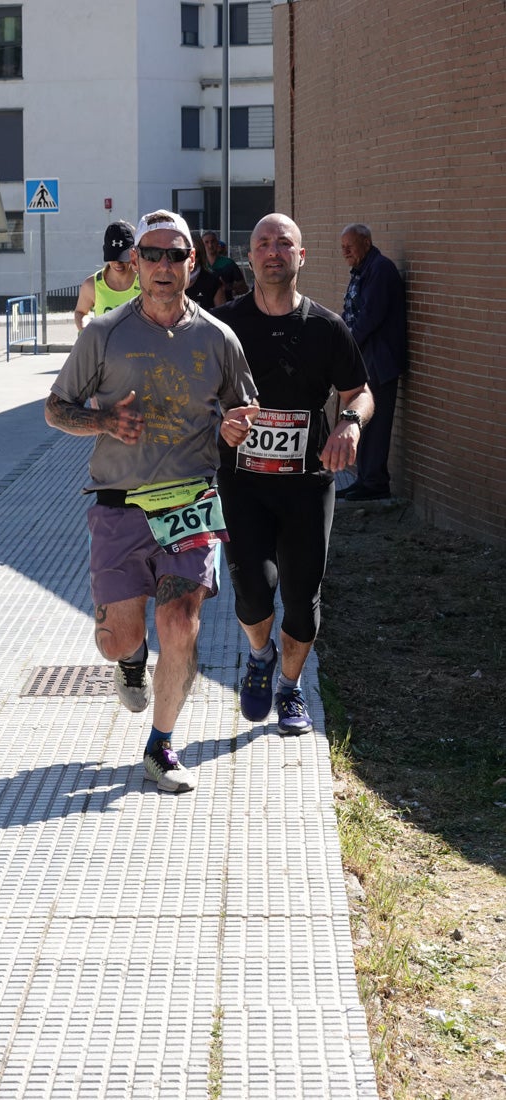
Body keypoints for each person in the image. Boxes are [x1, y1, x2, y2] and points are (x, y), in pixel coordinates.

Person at [45, 209, 258, 793]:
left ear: (193, 263)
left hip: (189, 499)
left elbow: (243, 411)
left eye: (176, 255)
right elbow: (55, 408)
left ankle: (161, 745)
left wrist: (236, 430)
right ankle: (131, 660)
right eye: (153, 254)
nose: (165, 266)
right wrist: (104, 421)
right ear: (134, 263)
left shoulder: (218, 338)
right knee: (120, 635)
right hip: (119, 502)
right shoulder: (104, 334)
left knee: (181, 620)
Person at [213, 212, 373, 735]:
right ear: (251, 257)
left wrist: (348, 424)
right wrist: (221, 423)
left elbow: (359, 393)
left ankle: (289, 686)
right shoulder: (225, 326)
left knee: (302, 601)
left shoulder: (327, 328)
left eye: (285, 244)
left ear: (301, 257)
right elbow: (194, 396)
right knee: (254, 592)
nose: (274, 251)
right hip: (243, 484)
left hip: (307, 485)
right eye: (263, 243)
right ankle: (260, 655)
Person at [338, 223, 407, 501]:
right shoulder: (361, 270)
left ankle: (375, 482)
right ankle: (365, 478)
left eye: (349, 246)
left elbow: (370, 316)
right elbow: (350, 311)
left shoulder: (380, 269)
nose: (345, 252)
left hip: (381, 360)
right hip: (367, 359)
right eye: (342, 247)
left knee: (376, 423)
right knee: (363, 420)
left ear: (365, 242)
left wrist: (347, 344)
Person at [73, 221, 141, 331]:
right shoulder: (91, 285)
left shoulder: (145, 282)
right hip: (105, 347)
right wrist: (86, 327)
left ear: (133, 254)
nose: (117, 263)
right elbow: (80, 312)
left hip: (139, 347)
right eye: (113, 256)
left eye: (122, 258)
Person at [201, 229, 248, 301]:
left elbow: (244, 288)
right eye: (206, 242)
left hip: (225, 306)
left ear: (217, 243)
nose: (210, 245)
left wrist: (228, 287)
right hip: (203, 307)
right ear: (202, 245)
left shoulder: (228, 263)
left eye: (212, 241)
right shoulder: (198, 264)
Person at [186, 232, 226, 309]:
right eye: (186, 254)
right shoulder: (167, 281)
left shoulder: (212, 281)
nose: (191, 259)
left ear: (201, 255)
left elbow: (222, 315)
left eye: (195, 254)